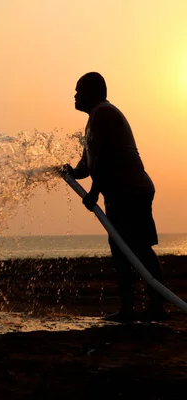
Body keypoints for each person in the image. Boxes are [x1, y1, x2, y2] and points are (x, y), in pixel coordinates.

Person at [62, 72, 168, 322]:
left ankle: (157, 307)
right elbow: (88, 162)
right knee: (121, 250)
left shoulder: (104, 114)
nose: (75, 95)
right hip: (119, 193)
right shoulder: (93, 120)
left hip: (132, 191)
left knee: (139, 248)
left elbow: (105, 158)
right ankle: (128, 309)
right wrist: (71, 173)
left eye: (79, 90)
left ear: (93, 92)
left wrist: (93, 193)